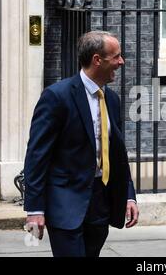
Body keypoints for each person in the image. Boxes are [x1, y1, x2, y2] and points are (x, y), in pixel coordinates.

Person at [23, 31, 139, 257]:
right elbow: (37, 156)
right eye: (116, 57)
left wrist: (128, 194)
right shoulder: (57, 96)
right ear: (97, 60)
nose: (121, 62)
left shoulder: (112, 100)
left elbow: (116, 154)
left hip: (100, 202)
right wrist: (34, 210)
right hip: (65, 203)